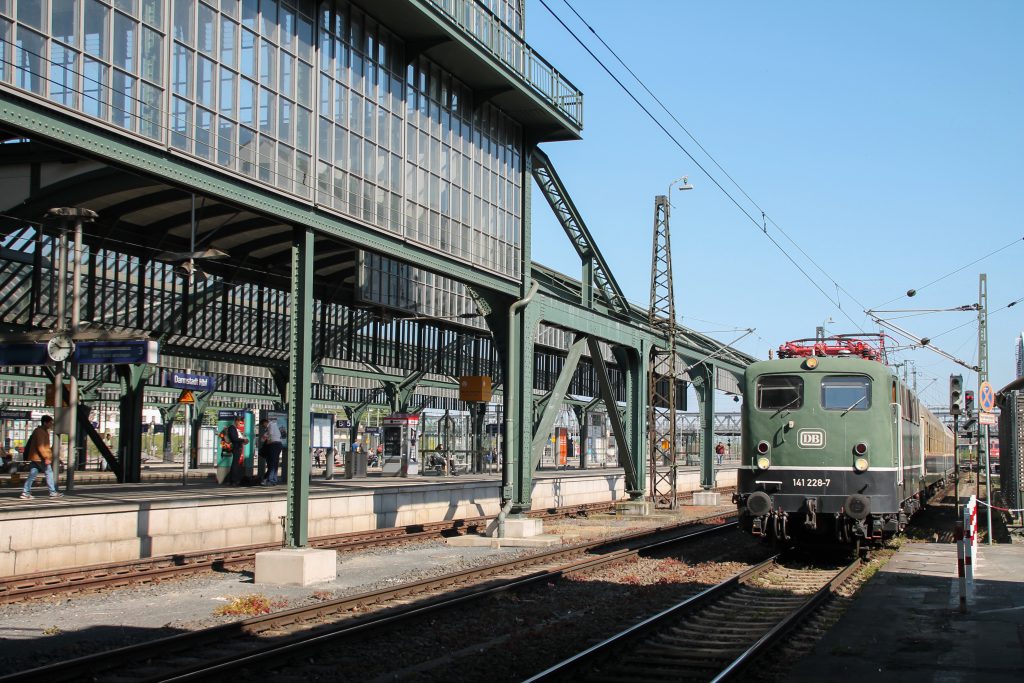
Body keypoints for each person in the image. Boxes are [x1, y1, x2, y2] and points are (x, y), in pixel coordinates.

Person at [21, 415, 62, 499]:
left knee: (32, 475)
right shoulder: (40, 432)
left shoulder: (42, 431)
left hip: (36, 457)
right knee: (49, 473)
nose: (51, 424)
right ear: (45, 423)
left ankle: (25, 492)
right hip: (40, 458)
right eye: (50, 422)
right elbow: (41, 446)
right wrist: (46, 457)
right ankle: (53, 492)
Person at [225, 417, 248, 486]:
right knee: (235, 464)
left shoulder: (234, 428)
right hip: (236, 447)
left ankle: (231, 480)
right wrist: (243, 440)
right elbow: (234, 438)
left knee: (234, 464)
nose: (240, 424)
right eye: (240, 423)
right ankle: (233, 480)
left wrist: (243, 440)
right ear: (236, 421)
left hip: (237, 447)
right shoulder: (232, 428)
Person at [260, 417, 283, 486]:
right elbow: (263, 439)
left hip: (274, 445)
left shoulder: (271, 425)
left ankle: (270, 480)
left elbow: (269, 436)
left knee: (272, 463)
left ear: (265, 422)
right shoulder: (273, 426)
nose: (263, 427)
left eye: (263, 425)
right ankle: (273, 480)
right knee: (275, 463)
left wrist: (268, 441)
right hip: (278, 445)